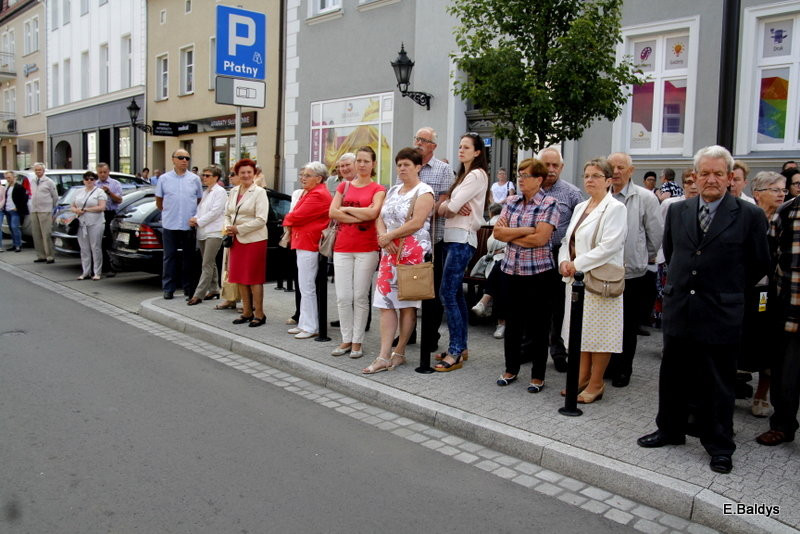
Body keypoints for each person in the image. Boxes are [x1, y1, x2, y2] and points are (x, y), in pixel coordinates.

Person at [638, 145, 770, 475]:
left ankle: (719, 445)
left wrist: (726, 290)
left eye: (718, 173)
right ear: (695, 177)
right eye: (705, 173)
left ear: (729, 178)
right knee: (673, 375)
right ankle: (670, 429)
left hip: (720, 311)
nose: (711, 179)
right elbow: (673, 251)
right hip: (680, 307)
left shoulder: (749, 215)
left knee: (718, 382)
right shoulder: (679, 211)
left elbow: (758, 264)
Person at [558, 158, 627, 403]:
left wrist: (576, 264)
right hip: (576, 279)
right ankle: (582, 376)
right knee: (581, 330)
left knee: (600, 334)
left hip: (600, 281)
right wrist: (564, 262)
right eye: (586, 175)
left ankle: (597, 383)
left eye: (596, 176)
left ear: (609, 181)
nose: (590, 180)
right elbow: (568, 239)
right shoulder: (581, 206)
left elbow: (609, 246)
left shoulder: (616, 208)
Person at [363, 147, 434, 374]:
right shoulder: (393, 190)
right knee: (385, 303)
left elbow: (417, 222)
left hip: (411, 253)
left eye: (407, 165)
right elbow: (380, 217)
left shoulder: (424, 191)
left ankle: (400, 351)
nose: (402, 168)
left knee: (407, 305)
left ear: (418, 167)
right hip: (389, 252)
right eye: (399, 164)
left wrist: (390, 236)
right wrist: (383, 238)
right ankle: (383, 355)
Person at [493, 158, 559, 392]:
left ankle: (538, 376)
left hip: (538, 274)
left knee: (539, 326)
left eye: (526, 175)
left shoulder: (549, 203)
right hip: (511, 271)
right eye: (519, 174)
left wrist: (511, 235)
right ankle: (511, 369)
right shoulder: (511, 201)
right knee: (512, 323)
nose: (520, 179)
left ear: (539, 179)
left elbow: (540, 239)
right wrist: (524, 231)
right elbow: (497, 233)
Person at [606, 152, 663, 387]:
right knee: (607, 323)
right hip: (604, 272)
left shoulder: (645, 197)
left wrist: (642, 255)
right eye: (612, 167)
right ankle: (607, 365)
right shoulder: (602, 194)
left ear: (631, 171)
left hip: (632, 272)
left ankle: (623, 369)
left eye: (621, 167)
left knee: (627, 324)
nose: (616, 171)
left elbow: (656, 234)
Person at [434, 132, 489, 372]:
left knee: (447, 293)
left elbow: (450, 207)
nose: (461, 150)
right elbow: (444, 207)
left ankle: (456, 350)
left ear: (477, 152)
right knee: (455, 295)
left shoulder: (476, 174)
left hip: (462, 240)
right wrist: (448, 206)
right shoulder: (463, 176)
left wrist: (448, 206)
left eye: (466, 147)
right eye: (460, 146)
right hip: (453, 238)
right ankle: (460, 346)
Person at [328, 147, 386, 358]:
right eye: (358, 161)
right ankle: (345, 339)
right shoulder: (344, 186)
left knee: (360, 296)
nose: (361, 165)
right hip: (342, 247)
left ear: (373, 164)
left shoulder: (378, 188)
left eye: (365, 161)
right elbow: (332, 212)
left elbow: (374, 213)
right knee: (343, 297)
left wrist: (346, 211)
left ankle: (357, 342)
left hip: (367, 248)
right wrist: (360, 215)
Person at [757, 186, 800, 446]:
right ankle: (783, 425)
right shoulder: (789, 211)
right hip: (789, 309)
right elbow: (769, 258)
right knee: (786, 374)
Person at [745, 171, 786, 416]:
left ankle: (762, 395)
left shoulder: (786, 218)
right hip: (748, 290)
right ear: (758, 194)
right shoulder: (749, 217)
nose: (781, 194)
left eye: (782, 189)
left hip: (775, 292)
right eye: (774, 189)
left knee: (771, 344)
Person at [540, 147, 584, 372]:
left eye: (554, 165)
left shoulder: (572, 193)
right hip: (535, 255)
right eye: (546, 164)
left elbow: (581, 227)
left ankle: (558, 351)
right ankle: (531, 347)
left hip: (559, 255)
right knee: (535, 306)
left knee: (558, 307)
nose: (550, 169)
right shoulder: (531, 190)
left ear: (561, 167)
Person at [413, 127, 454, 351]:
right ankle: (407, 334)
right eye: (417, 138)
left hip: (434, 239)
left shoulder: (443, 170)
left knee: (431, 292)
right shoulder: (409, 165)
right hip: (410, 240)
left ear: (433, 146)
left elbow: (444, 203)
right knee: (408, 287)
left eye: (424, 140)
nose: (419, 142)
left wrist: (420, 213)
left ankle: (430, 337)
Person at [282, 161, 332, 339]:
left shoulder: (318, 194)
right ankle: (305, 322)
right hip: (304, 242)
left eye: (307, 175)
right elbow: (296, 215)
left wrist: (288, 219)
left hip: (309, 243)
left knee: (307, 286)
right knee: (304, 286)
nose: (303, 178)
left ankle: (311, 326)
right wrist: (291, 218)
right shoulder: (313, 192)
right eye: (302, 175)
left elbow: (296, 215)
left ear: (319, 178)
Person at [224, 159, 269, 327]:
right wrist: (228, 227)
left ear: (254, 173)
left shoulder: (259, 192)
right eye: (242, 172)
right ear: (237, 174)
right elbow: (227, 213)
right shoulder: (234, 191)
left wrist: (238, 229)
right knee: (240, 277)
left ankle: (259, 313)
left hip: (254, 240)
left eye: (249, 172)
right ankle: (247, 311)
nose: (246, 175)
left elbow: (261, 220)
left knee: (254, 278)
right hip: (236, 240)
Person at [155, 149, 203, 300]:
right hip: (170, 224)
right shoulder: (164, 179)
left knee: (188, 257)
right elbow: (159, 202)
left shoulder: (194, 179)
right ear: (173, 159)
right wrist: (170, 212)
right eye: (181, 157)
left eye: (187, 158)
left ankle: (188, 288)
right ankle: (168, 288)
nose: (184, 160)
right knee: (169, 257)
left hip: (188, 225)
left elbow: (199, 200)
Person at [188, 166, 228, 305]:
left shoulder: (220, 192)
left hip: (214, 232)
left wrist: (198, 221)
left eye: (207, 175)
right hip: (203, 232)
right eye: (203, 175)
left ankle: (198, 294)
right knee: (210, 263)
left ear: (216, 177)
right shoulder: (206, 192)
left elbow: (215, 212)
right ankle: (214, 289)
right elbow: (200, 210)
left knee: (206, 263)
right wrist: (194, 218)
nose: (204, 178)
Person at [71, 171, 108, 280]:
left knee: (95, 247)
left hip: (96, 222)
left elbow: (102, 207)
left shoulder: (99, 192)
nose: (89, 181)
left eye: (92, 179)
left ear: (95, 180)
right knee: (84, 248)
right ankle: (86, 271)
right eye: (87, 179)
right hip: (82, 223)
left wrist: (86, 209)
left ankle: (97, 272)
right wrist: (76, 210)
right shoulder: (78, 191)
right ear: (83, 180)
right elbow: (72, 206)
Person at [95, 163, 123, 277]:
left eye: (104, 172)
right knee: (98, 241)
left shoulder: (115, 184)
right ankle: (102, 266)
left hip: (110, 214)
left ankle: (112, 267)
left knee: (109, 240)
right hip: (97, 214)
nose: (102, 174)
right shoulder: (95, 184)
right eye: (100, 172)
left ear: (108, 172)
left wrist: (109, 192)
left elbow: (119, 200)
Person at [29, 163, 58, 264]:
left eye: (39, 170)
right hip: (34, 210)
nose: (38, 172)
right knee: (36, 234)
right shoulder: (32, 181)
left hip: (45, 210)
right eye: (36, 170)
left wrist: (52, 208)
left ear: (43, 171)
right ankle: (41, 255)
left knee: (46, 234)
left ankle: (49, 256)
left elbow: (55, 196)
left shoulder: (49, 182)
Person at [3, 171, 27, 252]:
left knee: (14, 227)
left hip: (15, 211)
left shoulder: (19, 187)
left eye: (9, 177)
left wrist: (18, 207)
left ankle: (18, 245)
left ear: (14, 177)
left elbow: (24, 199)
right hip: (7, 210)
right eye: (6, 178)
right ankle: (14, 244)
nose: (8, 179)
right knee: (11, 228)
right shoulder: (7, 187)